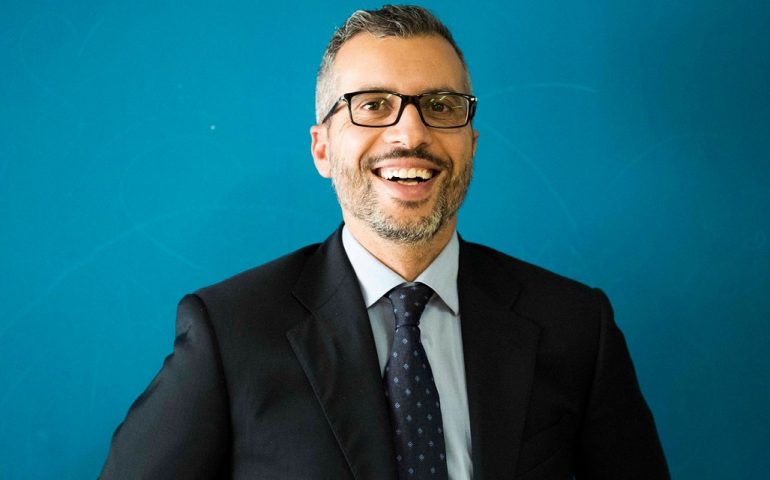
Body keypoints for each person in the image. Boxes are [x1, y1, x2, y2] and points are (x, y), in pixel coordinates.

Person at [101, 5, 669, 479]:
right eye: (373, 105)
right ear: (322, 149)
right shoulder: (230, 332)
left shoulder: (576, 326)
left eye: (440, 107)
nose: (411, 133)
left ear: (471, 145)